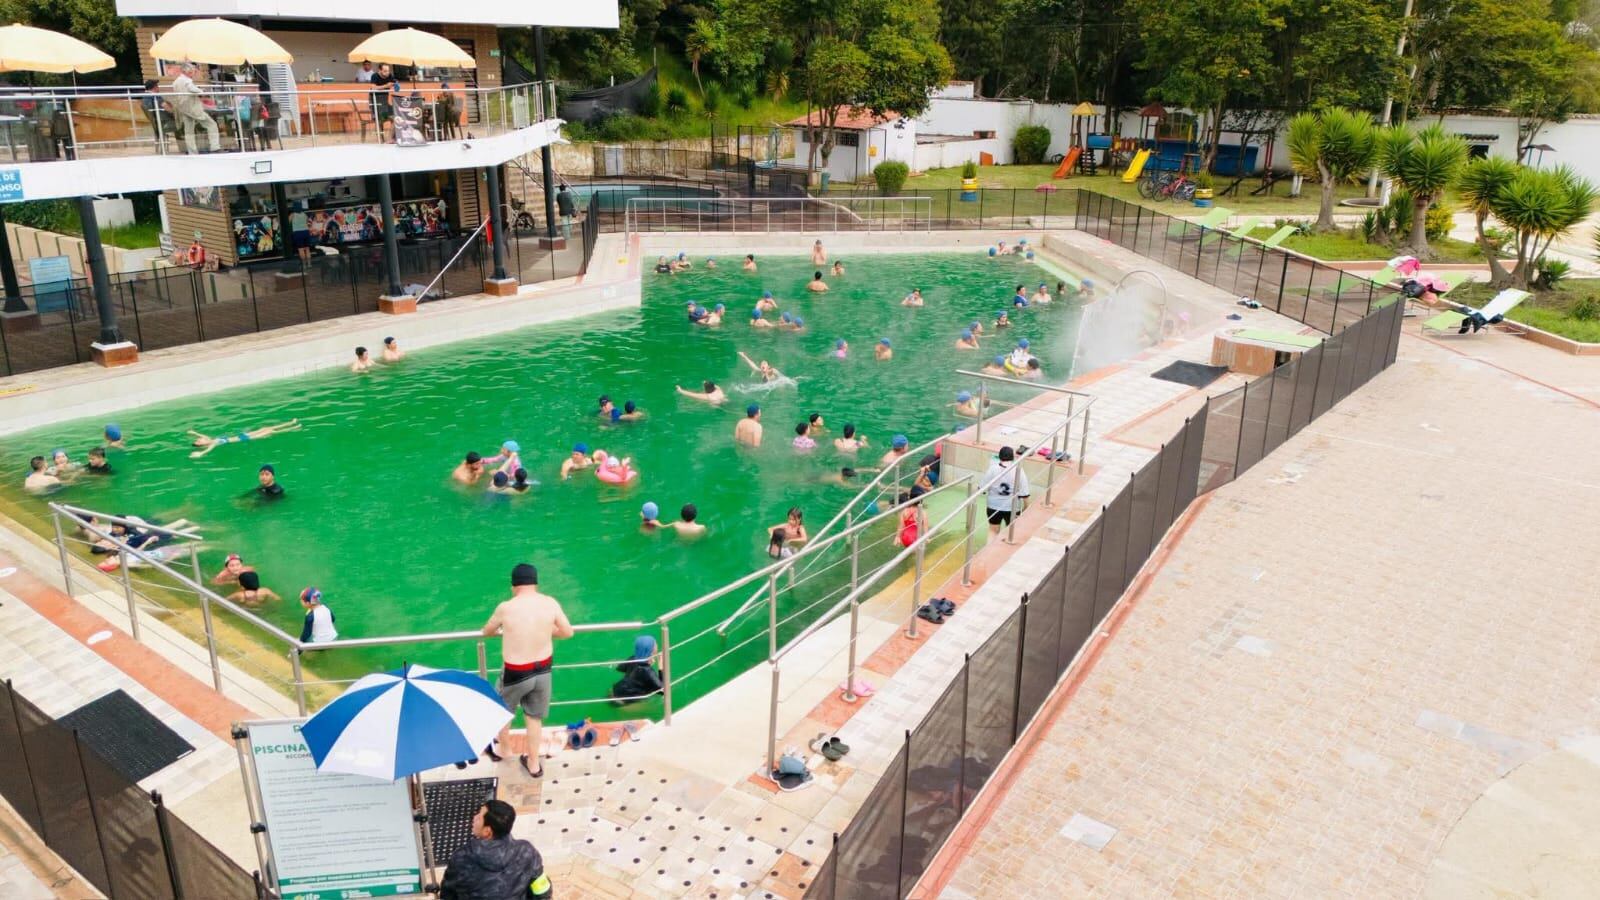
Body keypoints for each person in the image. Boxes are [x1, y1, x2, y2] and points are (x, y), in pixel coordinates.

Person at [484, 563, 575, 777]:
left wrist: (505, 629)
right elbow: (568, 632)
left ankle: (505, 749)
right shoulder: (549, 603)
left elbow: (487, 631)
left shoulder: (506, 607)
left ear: (513, 585)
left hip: (516, 671)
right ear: (535, 583)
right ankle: (534, 765)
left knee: (503, 710)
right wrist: (545, 631)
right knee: (534, 717)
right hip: (543, 669)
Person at [438, 800, 549, 900]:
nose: (474, 817)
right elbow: (542, 891)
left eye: (479, 816)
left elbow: (447, 894)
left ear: (487, 831)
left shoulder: (463, 857)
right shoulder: (527, 851)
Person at [169, 63, 221, 155]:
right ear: (187, 72)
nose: (193, 73)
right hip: (193, 108)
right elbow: (191, 88)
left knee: (189, 131)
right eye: (192, 72)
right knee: (211, 124)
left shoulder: (176, 81)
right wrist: (202, 92)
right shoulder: (187, 81)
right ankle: (215, 147)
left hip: (184, 109)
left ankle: (192, 151)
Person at [189, 420, 302, 458]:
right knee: (270, 431)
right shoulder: (212, 443)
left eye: (199, 440)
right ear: (202, 444)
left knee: (265, 428)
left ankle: (290, 423)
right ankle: (294, 428)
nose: (200, 439)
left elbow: (201, 435)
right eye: (199, 441)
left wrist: (193, 433)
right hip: (245, 439)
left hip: (243, 435)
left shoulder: (208, 438)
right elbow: (208, 450)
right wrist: (200, 453)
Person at [983, 446, 1030, 534]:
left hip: (993, 506)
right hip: (1012, 508)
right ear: (1012, 457)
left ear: (999, 457)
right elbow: (1025, 493)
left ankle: (991, 547)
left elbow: (982, 488)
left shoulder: (993, 468)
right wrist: (1025, 509)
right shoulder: (1018, 469)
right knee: (1010, 533)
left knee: (993, 531)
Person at [611, 636, 663, 703]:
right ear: (651, 651)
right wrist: (661, 666)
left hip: (615, 691)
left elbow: (619, 668)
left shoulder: (632, 658)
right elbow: (662, 691)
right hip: (625, 702)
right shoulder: (648, 671)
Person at [370, 64, 397, 141]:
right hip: (376, 102)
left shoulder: (389, 76)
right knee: (382, 118)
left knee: (397, 117)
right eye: (385, 71)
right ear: (380, 70)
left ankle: (390, 138)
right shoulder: (374, 76)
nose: (387, 73)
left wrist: (396, 85)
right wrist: (386, 86)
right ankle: (383, 139)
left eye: (388, 71)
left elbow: (395, 83)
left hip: (385, 102)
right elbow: (373, 87)